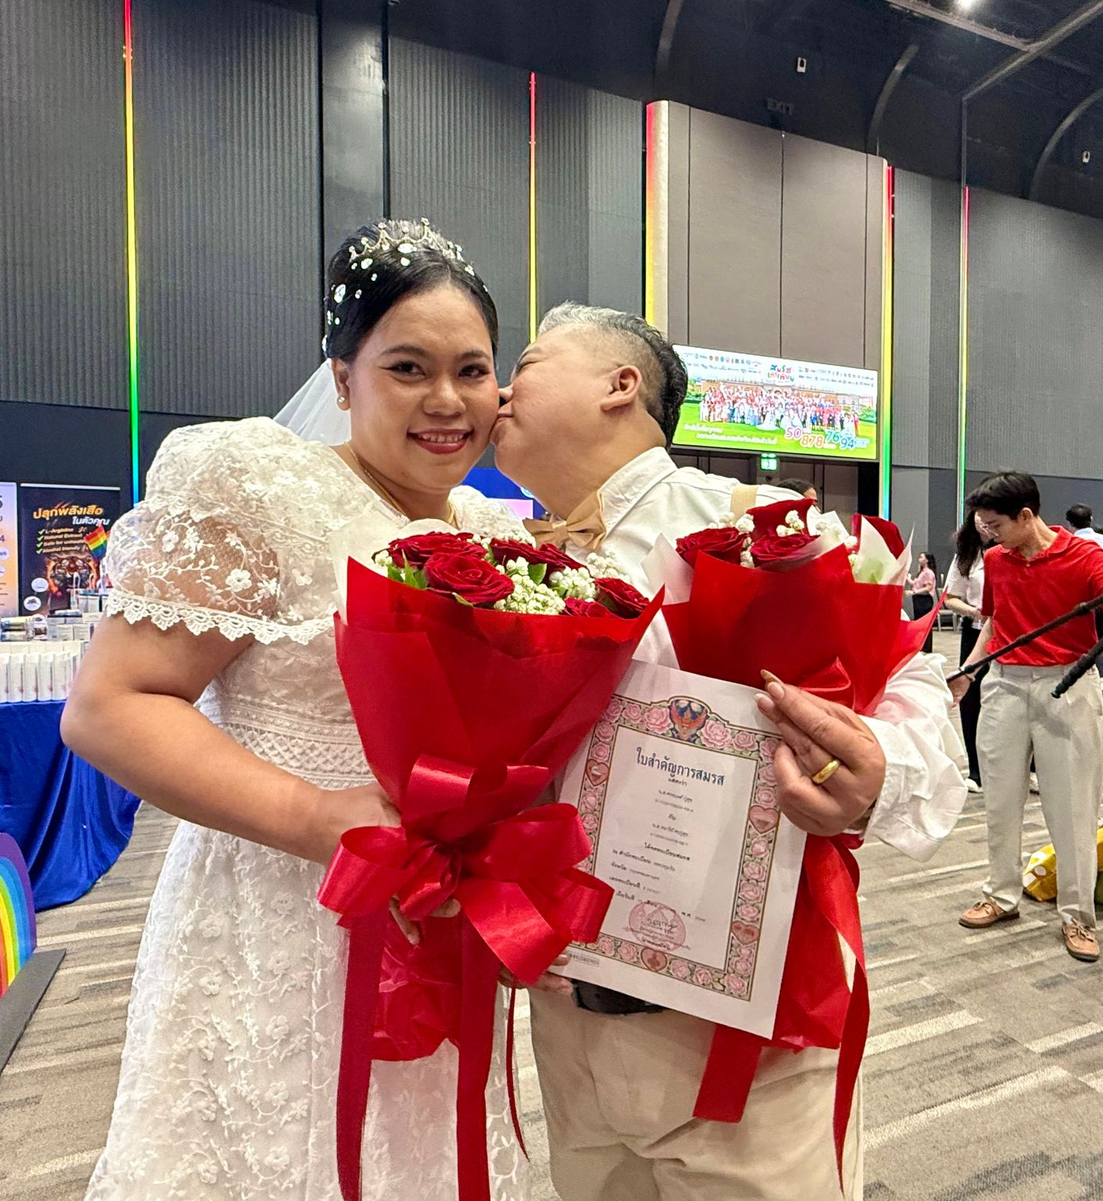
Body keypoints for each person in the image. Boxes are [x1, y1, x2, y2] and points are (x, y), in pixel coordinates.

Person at [61, 220, 533, 1200]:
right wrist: (314, 818)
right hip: (279, 906)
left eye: (471, 370)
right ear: (344, 376)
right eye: (408, 367)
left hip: (441, 922)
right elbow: (109, 707)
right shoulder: (260, 485)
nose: (447, 401)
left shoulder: (498, 533)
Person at [492, 301, 967, 1201]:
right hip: (564, 1016)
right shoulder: (504, 557)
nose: (501, 386)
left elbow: (911, 682)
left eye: (527, 359)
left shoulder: (757, 527)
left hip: (745, 1034)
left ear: (620, 384)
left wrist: (875, 764)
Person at [952, 474, 1103, 962]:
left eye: (995, 524)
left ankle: (1077, 914)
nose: (988, 534)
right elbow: (994, 621)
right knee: (999, 794)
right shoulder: (996, 560)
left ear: (1027, 516)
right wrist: (969, 672)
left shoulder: (1084, 554)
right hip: (1005, 682)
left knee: (1073, 802)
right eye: (983, 524)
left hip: (1068, 683)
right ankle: (1000, 893)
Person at [944, 512, 994, 792]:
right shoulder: (968, 553)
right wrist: (975, 611)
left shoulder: (1012, 548)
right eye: (979, 514)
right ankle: (976, 770)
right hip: (976, 628)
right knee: (971, 698)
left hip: (1010, 633)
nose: (984, 521)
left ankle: (1028, 767)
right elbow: (950, 597)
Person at [1065, 504, 1103, 697]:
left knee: (1085, 642)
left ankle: (1087, 683)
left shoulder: (1070, 542)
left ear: (1068, 523)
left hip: (1080, 602)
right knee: (1102, 641)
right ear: (1090, 519)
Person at [906, 552, 938, 653]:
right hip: (918, 599)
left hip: (924, 600)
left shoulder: (928, 573)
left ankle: (926, 646)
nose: (919, 559)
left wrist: (914, 592)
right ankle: (920, 645)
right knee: (919, 622)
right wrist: (905, 576)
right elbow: (914, 584)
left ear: (927, 560)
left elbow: (928, 587)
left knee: (925, 623)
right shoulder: (921, 572)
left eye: (921, 557)